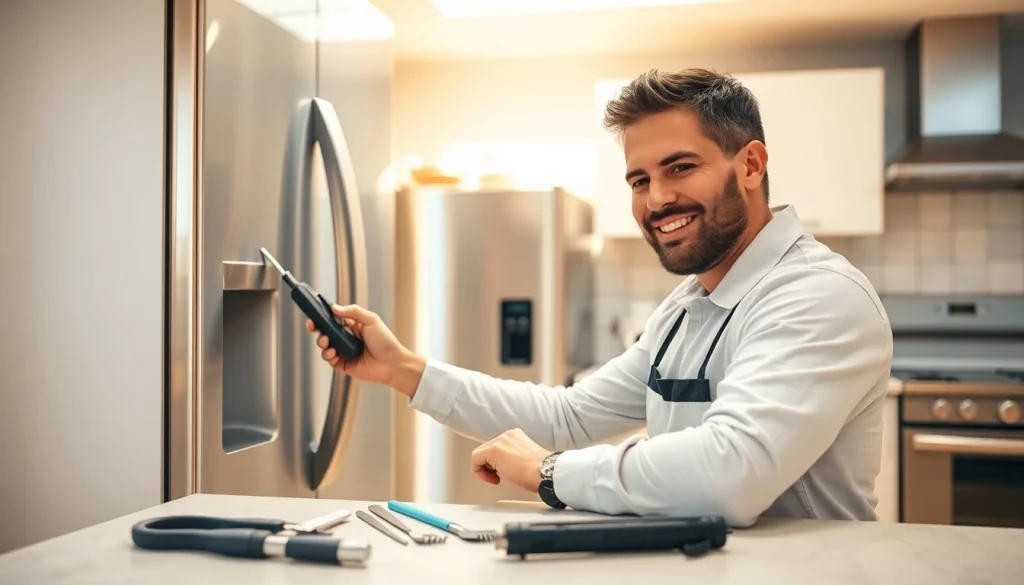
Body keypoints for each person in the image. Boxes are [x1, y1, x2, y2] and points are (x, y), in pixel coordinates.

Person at [307, 68, 893, 527]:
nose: (656, 199)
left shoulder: (817, 296)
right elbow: (570, 415)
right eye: (639, 180)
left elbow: (730, 475)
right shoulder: (687, 307)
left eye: (680, 167)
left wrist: (548, 472)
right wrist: (403, 369)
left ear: (751, 165)